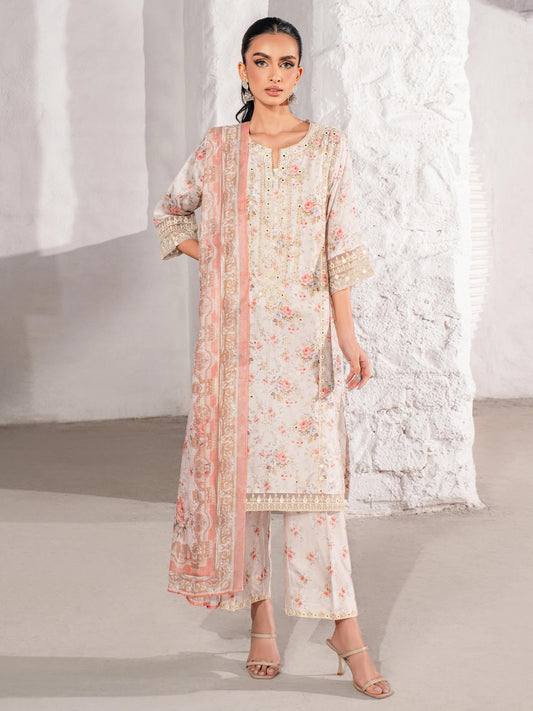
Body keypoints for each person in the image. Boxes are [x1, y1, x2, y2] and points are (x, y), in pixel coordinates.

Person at [153, 16, 393, 700]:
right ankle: (261, 622)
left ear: (300, 72)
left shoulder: (327, 148)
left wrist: (347, 337)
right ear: (242, 71)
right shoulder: (220, 148)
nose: (275, 74)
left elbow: (340, 247)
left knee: (317, 494)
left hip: (305, 343)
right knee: (247, 490)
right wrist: (221, 257)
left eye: (286, 62)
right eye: (261, 61)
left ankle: (345, 630)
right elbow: (172, 215)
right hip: (238, 347)